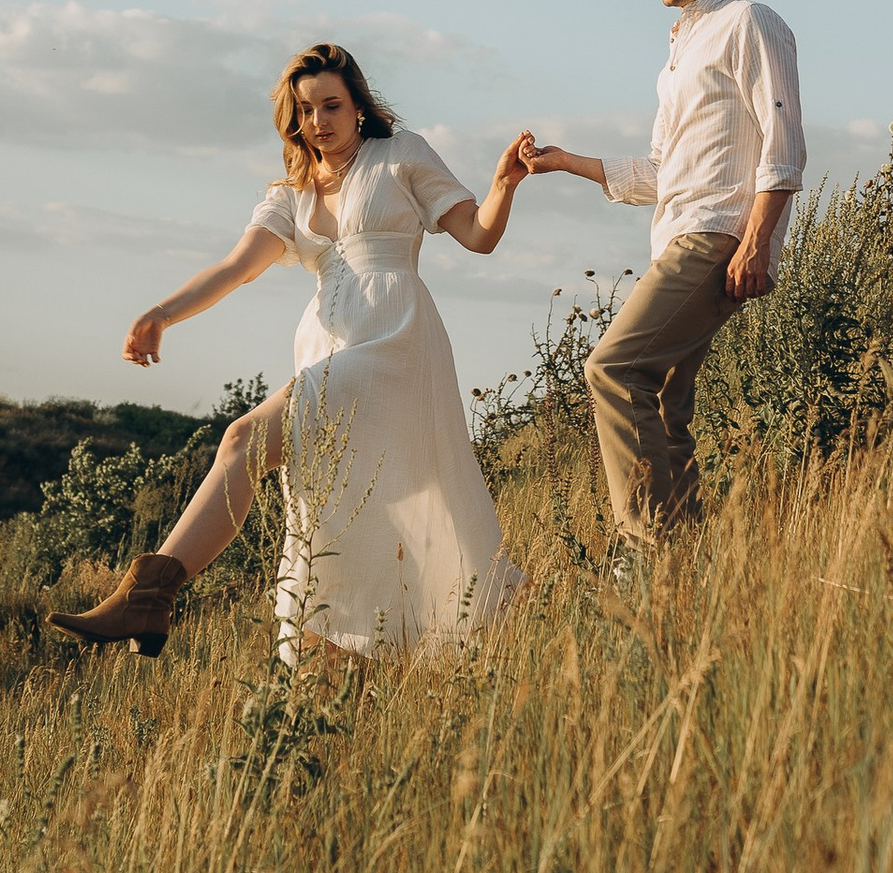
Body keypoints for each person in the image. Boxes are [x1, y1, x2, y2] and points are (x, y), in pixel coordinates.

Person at [49, 44, 533, 664]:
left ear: (359, 105)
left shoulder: (400, 157)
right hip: (324, 347)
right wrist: (162, 313)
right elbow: (235, 268)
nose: (319, 122)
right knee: (325, 507)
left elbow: (479, 236)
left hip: (394, 342)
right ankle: (339, 658)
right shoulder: (289, 193)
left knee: (243, 440)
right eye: (305, 111)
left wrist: (502, 185)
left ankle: (151, 594)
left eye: (332, 105)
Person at [523, 0, 803, 566]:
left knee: (614, 368)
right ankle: (686, 574)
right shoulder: (679, 47)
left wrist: (757, 241)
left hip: (716, 235)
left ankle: (644, 555)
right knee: (666, 413)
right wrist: (566, 163)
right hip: (676, 232)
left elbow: (784, 143)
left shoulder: (750, 22)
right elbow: (659, 170)